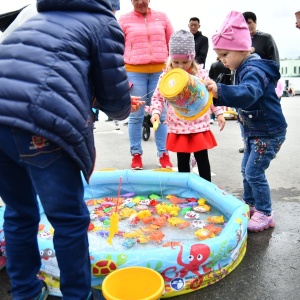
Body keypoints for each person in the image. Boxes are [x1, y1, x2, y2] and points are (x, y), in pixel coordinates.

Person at [0, 0, 134, 298]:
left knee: (19, 211)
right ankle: (77, 294)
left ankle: (25, 291)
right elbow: (114, 97)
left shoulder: (38, 17)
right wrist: (124, 106)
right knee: (68, 219)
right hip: (41, 120)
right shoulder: (103, 22)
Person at [205, 11, 287, 232]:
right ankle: (250, 205)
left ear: (241, 49)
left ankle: (265, 213)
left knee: (254, 172)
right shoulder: (243, 67)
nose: (222, 60)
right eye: (219, 56)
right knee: (246, 169)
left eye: (224, 55)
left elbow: (248, 93)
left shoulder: (253, 70)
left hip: (268, 132)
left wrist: (219, 90)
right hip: (255, 131)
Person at [149, 30, 226, 182]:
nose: (181, 66)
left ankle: (206, 187)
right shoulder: (167, 77)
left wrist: (218, 112)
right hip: (178, 124)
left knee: (202, 157)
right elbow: (158, 96)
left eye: (185, 62)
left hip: (198, 124)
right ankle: (184, 187)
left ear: (192, 59)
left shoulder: (201, 75)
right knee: (182, 159)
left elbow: (209, 95)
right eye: (176, 62)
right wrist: (156, 112)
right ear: (171, 60)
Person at [118, 0, 174, 170]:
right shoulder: (123, 20)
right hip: (134, 70)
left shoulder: (162, 17)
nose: (140, 1)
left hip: (160, 71)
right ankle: (136, 154)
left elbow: (172, 43)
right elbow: (116, 48)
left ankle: (164, 153)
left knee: (161, 115)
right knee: (136, 114)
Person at [237, 11, 280, 154]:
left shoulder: (265, 38)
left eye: (249, 22)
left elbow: (274, 62)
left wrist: (272, 83)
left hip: (263, 84)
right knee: (244, 114)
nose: (247, 26)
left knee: (263, 113)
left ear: (255, 22)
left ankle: (268, 143)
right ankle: (248, 143)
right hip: (245, 84)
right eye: (243, 24)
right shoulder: (239, 41)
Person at [208, 57, 232, 124]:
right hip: (224, 84)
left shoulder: (213, 64)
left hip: (214, 84)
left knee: (214, 100)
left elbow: (210, 75)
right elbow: (228, 75)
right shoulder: (226, 64)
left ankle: (212, 118)